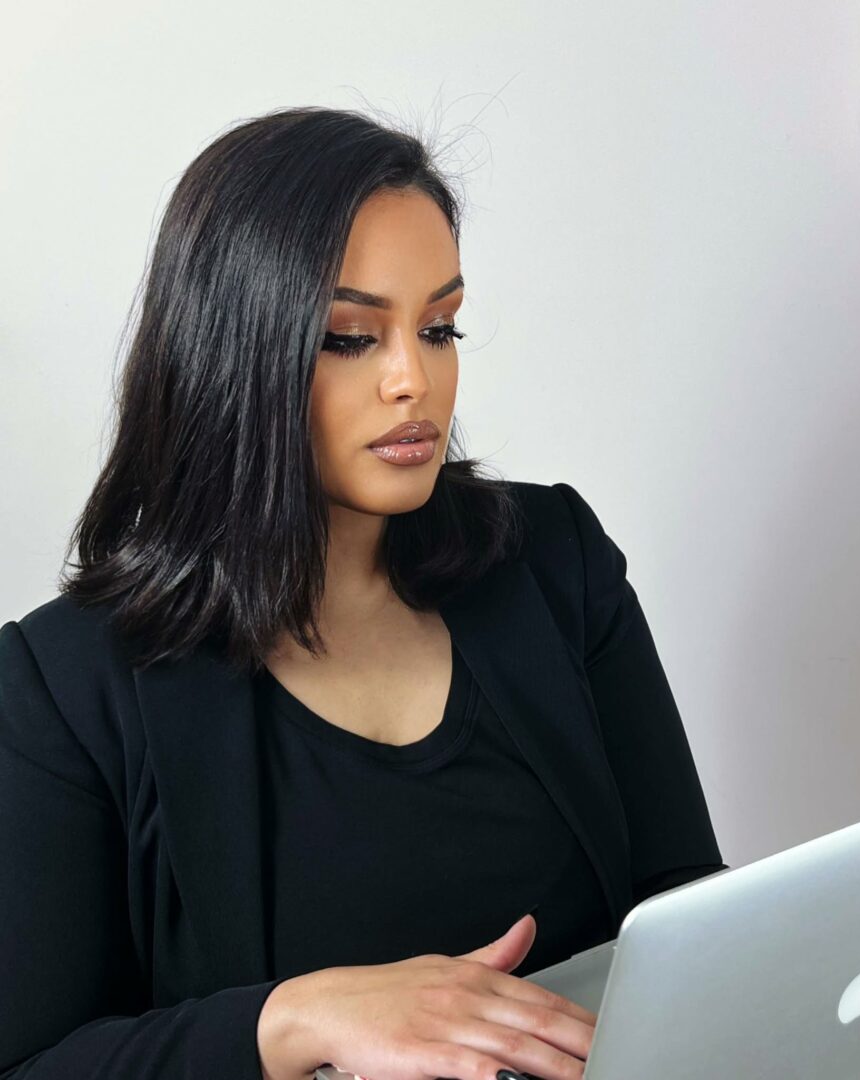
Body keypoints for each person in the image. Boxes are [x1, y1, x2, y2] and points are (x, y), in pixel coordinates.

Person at [0, 106, 727, 1080]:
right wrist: (292, 1019)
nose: (412, 379)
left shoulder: (555, 562)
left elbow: (687, 913)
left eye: (438, 327)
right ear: (231, 353)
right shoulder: (62, 686)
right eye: (350, 337)